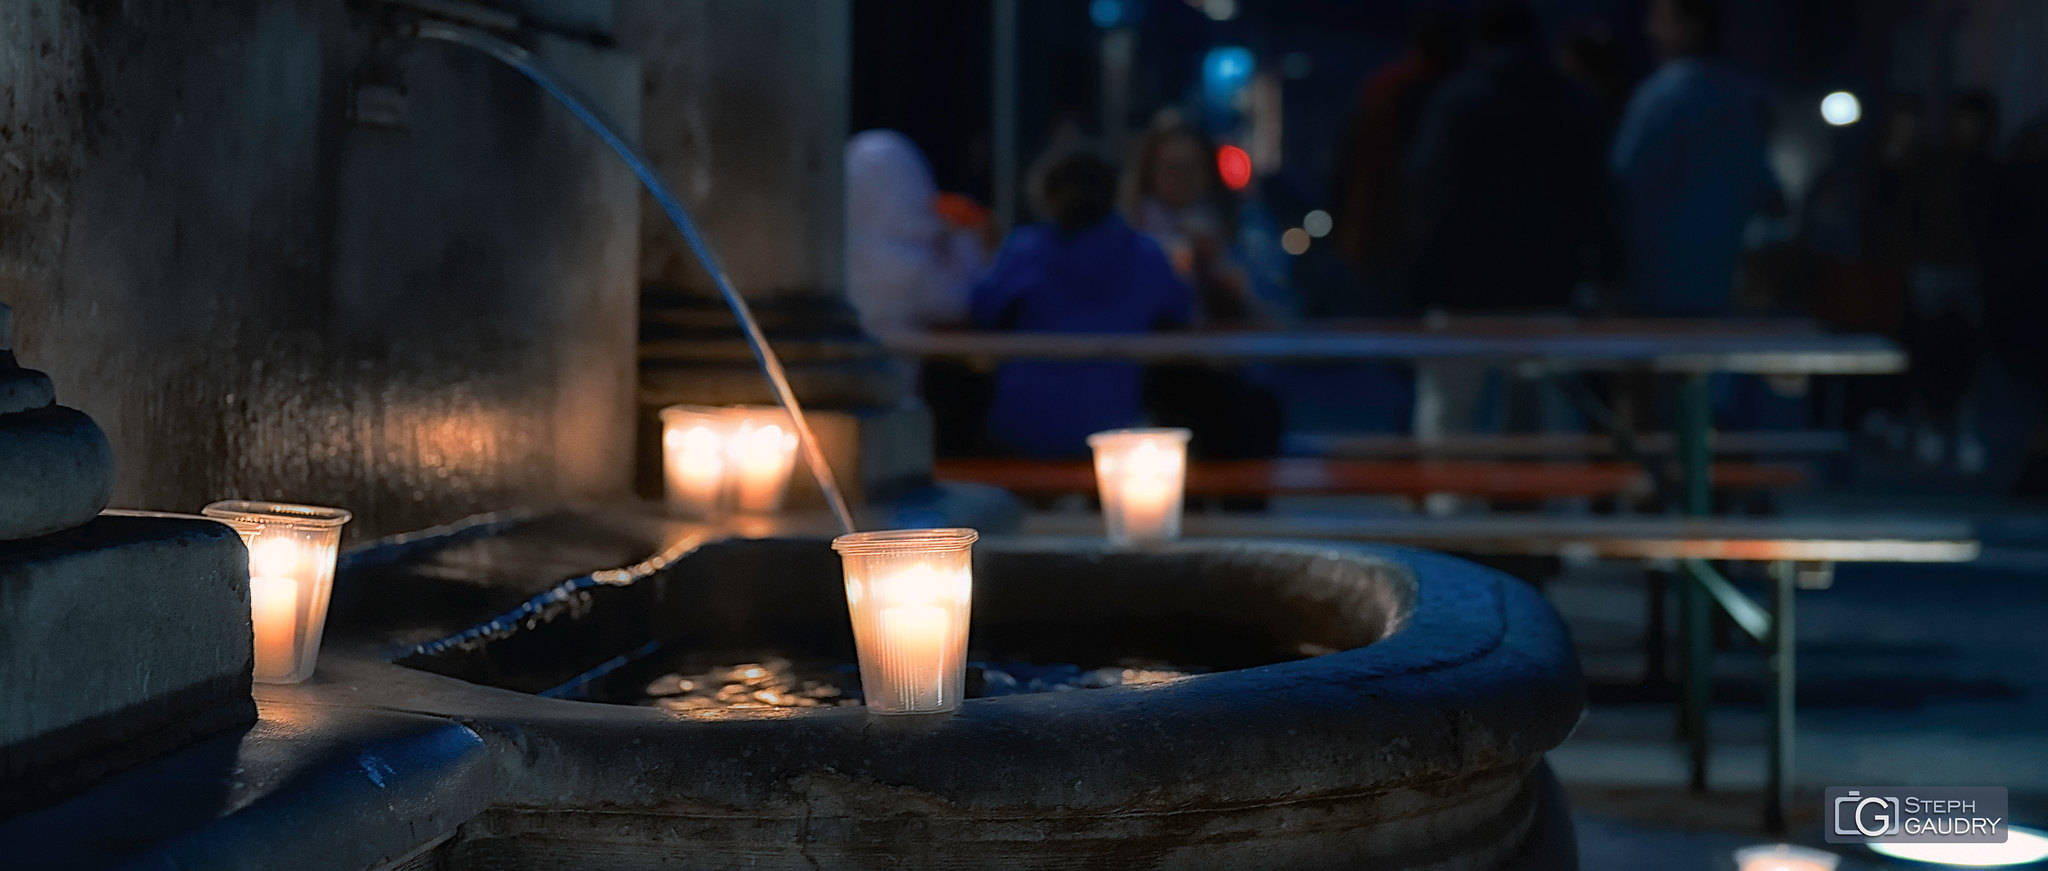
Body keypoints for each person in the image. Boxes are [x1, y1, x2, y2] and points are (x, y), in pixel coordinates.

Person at [971, 151, 1194, 457]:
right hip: (1114, 429)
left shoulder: (1026, 250)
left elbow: (981, 308)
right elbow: (1182, 311)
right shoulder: (1147, 255)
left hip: (1021, 429)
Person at [1405, 0, 1607, 313]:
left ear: (1480, 41)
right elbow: (1598, 190)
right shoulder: (1573, 102)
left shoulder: (1458, 101)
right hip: (1552, 270)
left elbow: (1426, 182)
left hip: (1466, 273)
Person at [1610, 0, 1780, 316]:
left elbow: (1624, 176)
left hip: (1658, 274)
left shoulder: (1661, 97)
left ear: (1692, 26)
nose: (1650, 30)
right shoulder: (1745, 96)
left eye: (1661, 19)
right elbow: (1767, 189)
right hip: (1721, 275)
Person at [1327, 10, 1464, 317]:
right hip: (1453, 243)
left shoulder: (1384, 90)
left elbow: (1350, 166)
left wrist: (1345, 233)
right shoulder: (1464, 94)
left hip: (1385, 233)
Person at [844, 130, 988, 338]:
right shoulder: (907, 264)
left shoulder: (835, 257)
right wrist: (966, 237)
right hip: (881, 368)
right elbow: (965, 306)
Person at [1122, 115, 1258, 322]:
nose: (1180, 180)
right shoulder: (1129, 228)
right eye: (1170, 168)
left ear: (1207, 172)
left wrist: (1218, 268)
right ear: (1150, 172)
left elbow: (1259, 305)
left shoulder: (1230, 225)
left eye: (1190, 168)